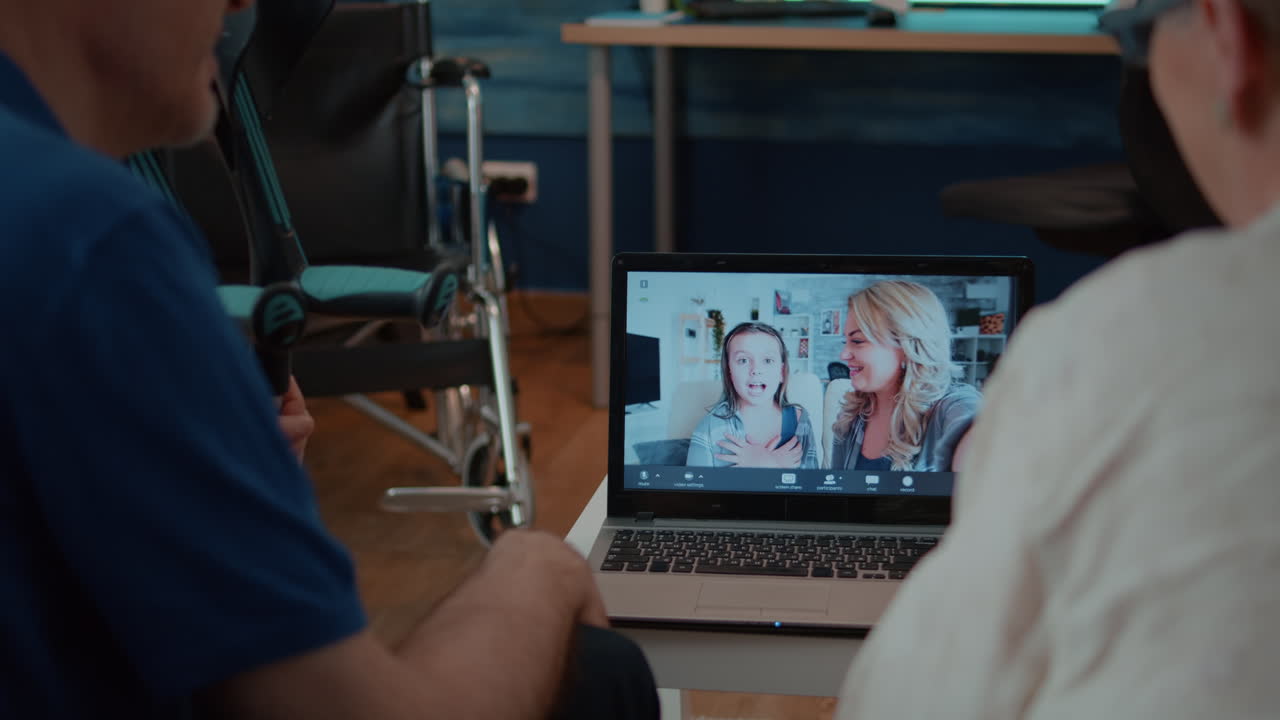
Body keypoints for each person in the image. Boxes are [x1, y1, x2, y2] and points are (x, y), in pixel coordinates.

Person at [0, 1, 657, 718]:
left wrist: (211, 483)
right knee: (601, 669)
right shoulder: (91, 237)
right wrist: (534, 565)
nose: (244, 5)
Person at [837, 0, 1280, 717]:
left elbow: (911, 700)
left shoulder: (1109, 349)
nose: (843, 354)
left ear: (1227, 35)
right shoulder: (847, 417)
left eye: (1137, 38)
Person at [829, 280, 980, 473]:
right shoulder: (850, 417)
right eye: (846, 341)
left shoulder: (952, 408)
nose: (843, 355)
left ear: (907, 346)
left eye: (857, 341)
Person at [686, 322, 820, 469]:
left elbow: (811, 487)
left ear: (781, 372)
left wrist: (769, 464)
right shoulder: (710, 426)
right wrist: (768, 466)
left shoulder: (800, 421)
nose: (756, 370)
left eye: (767, 360)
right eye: (743, 360)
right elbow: (697, 488)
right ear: (729, 372)